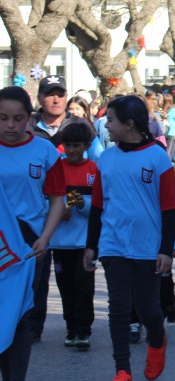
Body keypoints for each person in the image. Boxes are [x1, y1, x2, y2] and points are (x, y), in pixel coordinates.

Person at [83, 95, 175, 381]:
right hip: (113, 244)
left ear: (129, 124)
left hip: (147, 246)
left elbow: (170, 207)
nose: (106, 125)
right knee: (119, 308)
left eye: (111, 120)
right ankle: (122, 371)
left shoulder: (157, 157)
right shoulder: (107, 158)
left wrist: (167, 249)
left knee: (148, 308)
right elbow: (98, 207)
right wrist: (92, 245)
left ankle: (157, 338)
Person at [0, 86, 65, 381]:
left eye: (18, 119)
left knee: (21, 312)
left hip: (29, 245)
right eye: (3, 118)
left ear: (30, 119)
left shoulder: (45, 152)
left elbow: (57, 199)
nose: (10, 126)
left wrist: (45, 238)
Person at [46, 123, 98, 349]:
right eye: (67, 145)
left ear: (87, 145)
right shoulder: (56, 168)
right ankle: (71, 328)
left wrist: (79, 206)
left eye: (76, 145)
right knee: (65, 286)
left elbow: (98, 207)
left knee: (84, 286)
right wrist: (58, 211)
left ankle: (84, 329)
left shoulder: (94, 170)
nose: (72, 150)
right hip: (60, 243)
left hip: (84, 242)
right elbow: (46, 201)